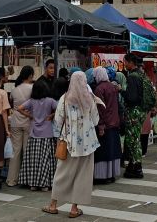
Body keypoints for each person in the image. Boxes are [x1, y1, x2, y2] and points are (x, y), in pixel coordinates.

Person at [43, 71, 100, 219]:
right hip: (88, 144)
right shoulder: (90, 98)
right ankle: (74, 209)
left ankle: (53, 205)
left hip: (68, 142)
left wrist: (59, 136)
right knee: (83, 176)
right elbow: (96, 120)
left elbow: (58, 120)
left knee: (62, 173)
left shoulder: (64, 98)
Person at [18, 79, 59, 191]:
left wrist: (30, 116)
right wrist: (51, 115)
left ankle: (33, 184)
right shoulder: (50, 101)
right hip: (47, 134)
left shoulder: (31, 101)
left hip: (34, 134)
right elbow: (60, 109)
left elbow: (19, 108)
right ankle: (45, 184)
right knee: (45, 160)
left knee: (34, 160)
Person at [92, 66, 122, 184]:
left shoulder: (99, 89)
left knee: (103, 152)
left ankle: (103, 175)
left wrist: (100, 125)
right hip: (114, 123)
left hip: (105, 124)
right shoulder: (112, 87)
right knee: (112, 150)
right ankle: (112, 174)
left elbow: (100, 109)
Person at [7, 65, 35, 187]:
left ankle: (11, 179)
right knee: (27, 151)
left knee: (15, 151)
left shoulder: (14, 90)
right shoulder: (33, 88)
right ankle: (26, 179)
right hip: (28, 121)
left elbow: (12, 104)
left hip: (15, 122)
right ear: (30, 75)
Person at [121, 54, 145, 179]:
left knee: (133, 140)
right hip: (140, 111)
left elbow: (132, 97)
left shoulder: (132, 77)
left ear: (130, 62)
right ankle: (134, 164)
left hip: (133, 111)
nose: (124, 65)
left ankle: (136, 167)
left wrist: (121, 91)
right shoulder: (141, 74)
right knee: (136, 138)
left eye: (125, 62)